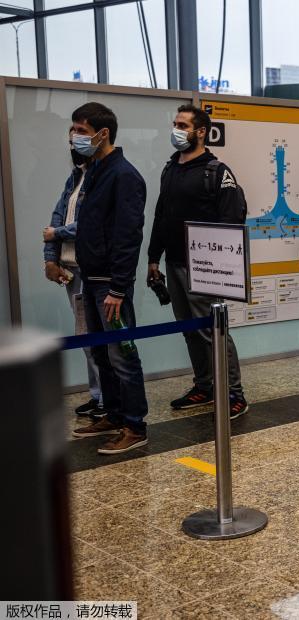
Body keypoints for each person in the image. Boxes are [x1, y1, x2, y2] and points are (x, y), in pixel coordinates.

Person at [147, 104, 249, 419]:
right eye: (175, 124)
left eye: (183, 125)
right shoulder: (170, 168)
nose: (176, 130)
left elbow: (231, 220)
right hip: (174, 262)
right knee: (189, 329)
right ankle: (204, 387)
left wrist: (218, 266)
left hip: (205, 267)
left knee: (212, 331)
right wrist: (153, 258)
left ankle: (234, 393)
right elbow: (161, 215)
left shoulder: (217, 172)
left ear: (201, 132)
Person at [68, 102, 150, 454]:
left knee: (122, 356)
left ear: (103, 134)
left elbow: (128, 235)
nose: (75, 137)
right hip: (91, 278)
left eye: (82, 131)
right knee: (102, 353)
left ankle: (135, 426)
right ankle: (114, 415)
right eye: (74, 130)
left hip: (111, 285)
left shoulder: (124, 175)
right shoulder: (95, 171)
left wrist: (118, 287)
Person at [43, 142, 105, 419]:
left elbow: (92, 224)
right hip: (72, 270)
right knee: (86, 336)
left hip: (94, 271)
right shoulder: (75, 176)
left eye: (80, 135)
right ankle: (98, 395)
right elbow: (55, 219)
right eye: (70, 139)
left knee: (103, 339)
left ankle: (109, 399)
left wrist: (57, 234)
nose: (74, 144)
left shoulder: (104, 177)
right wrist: (51, 260)